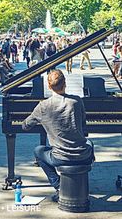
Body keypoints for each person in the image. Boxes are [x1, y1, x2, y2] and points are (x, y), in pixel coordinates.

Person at [22, 69, 94, 202]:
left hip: (60, 157)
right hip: (82, 154)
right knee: (89, 143)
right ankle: (80, 182)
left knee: (38, 150)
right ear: (65, 83)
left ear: (48, 86)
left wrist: (44, 121)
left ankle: (58, 185)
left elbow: (25, 126)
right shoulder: (77, 101)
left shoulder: (43, 106)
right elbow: (83, 126)